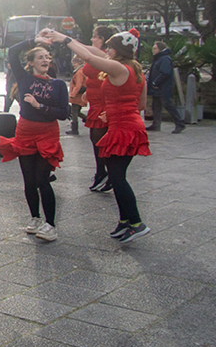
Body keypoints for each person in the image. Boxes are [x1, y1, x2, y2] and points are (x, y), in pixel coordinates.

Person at [47, 28, 152, 243]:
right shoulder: (136, 70)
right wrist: (114, 111)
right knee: (116, 174)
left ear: (117, 49)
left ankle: (136, 222)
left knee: (117, 177)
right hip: (129, 125)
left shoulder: (118, 68)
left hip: (122, 128)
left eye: (110, 47)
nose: (107, 50)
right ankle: (125, 221)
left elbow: (88, 56)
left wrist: (64, 39)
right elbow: (140, 105)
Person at [0, 36, 69, 242]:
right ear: (31, 62)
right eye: (40, 57)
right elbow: (11, 53)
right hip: (25, 133)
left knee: (43, 179)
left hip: (47, 134)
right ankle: (34, 217)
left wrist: (39, 106)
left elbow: (63, 112)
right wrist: (33, 40)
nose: (45, 60)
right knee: (29, 180)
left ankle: (50, 225)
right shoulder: (24, 79)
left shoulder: (59, 85)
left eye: (47, 57)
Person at [84, 26, 116, 193]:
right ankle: (102, 172)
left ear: (102, 39)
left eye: (94, 37)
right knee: (96, 139)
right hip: (95, 101)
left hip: (102, 102)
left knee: (99, 139)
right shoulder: (98, 54)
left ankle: (105, 172)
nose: (92, 39)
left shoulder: (104, 55)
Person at [146, 41, 186, 134]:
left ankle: (179, 123)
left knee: (168, 105)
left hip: (162, 88)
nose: (153, 50)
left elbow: (165, 73)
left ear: (160, 49)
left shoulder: (164, 59)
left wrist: (155, 82)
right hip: (157, 87)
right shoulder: (159, 58)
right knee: (156, 106)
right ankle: (156, 124)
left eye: (155, 48)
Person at [66, 55, 87, 135]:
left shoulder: (79, 72)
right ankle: (86, 118)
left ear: (78, 63)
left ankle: (74, 129)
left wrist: (72, 95)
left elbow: (78, 85)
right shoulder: (81, 71)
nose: (73, 65)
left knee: (74, 112)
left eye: (74, 63)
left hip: (77, 96)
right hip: (79, 95)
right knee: (76, 111)